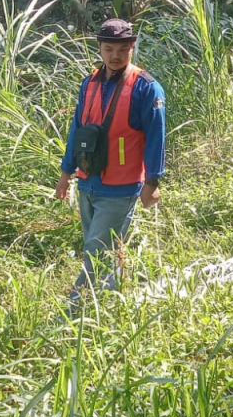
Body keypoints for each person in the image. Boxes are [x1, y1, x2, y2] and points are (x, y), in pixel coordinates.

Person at [55, 19, 166, 304]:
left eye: (122, 50)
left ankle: (73, 307)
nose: (115, 56)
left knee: (96, 247)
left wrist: (152, 181)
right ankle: (111, 302)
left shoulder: (146, 88)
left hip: (122, 185)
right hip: (88, 180)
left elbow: (156, 137)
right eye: (108, 49)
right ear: (100, 49)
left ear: (132, 48)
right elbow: (76, 130)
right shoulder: (89, 82)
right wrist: (66, 173)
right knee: (105, 248)